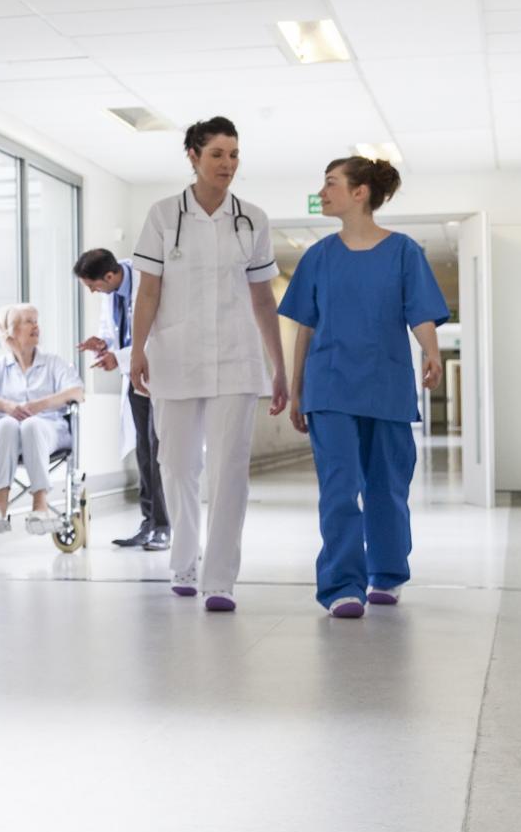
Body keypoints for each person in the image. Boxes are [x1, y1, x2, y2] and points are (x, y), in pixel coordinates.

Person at [127, 117, 288, 611]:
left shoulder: (252, 219)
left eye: (234, 154)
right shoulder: (162, 215)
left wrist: (278, 365)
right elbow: (148, 290)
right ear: (193, 156)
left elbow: (263, 300)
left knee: (229, 469)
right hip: (175, 357)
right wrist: (136, 351)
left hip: (237, 359)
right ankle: (184, 560)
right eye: (217, 154)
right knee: (176, 465)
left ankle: (219, 579)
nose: (228, 164)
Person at [279, 158, 448, 618]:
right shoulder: (318, 256)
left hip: (386, 385)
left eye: (331, 184)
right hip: (329, 387)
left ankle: (387, 574)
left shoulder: (403, 252)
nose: (323, 192)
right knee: (338, 487)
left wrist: (432, 352)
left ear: (360, 193)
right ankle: (341, 586)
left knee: (387, 487)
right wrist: (296, 391)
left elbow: (421, 312)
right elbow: (305, 329)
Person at [76, 249, 169, 552]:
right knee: (143, 451)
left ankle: (164, 526)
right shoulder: (113, 292)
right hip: (134, 378)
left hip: (158, 374)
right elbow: (120, 334)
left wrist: (119, 356)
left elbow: (156, 334)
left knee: (159, 451)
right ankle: (148, 522)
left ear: (110, 276)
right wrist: (104, 345)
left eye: (93, 285)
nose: (93, 291)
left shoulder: (148, 281)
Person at [0, 304, 85, 534]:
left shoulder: (54, 364)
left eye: (36, 320)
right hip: (6, 438)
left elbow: (77, 393)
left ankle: (40, 504)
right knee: (8, 422)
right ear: (11, 331)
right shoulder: (0, 367)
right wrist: (4, 405)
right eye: (28, 321)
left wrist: (40, 405)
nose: (36, 326)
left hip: (49, 431)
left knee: (31, 424)